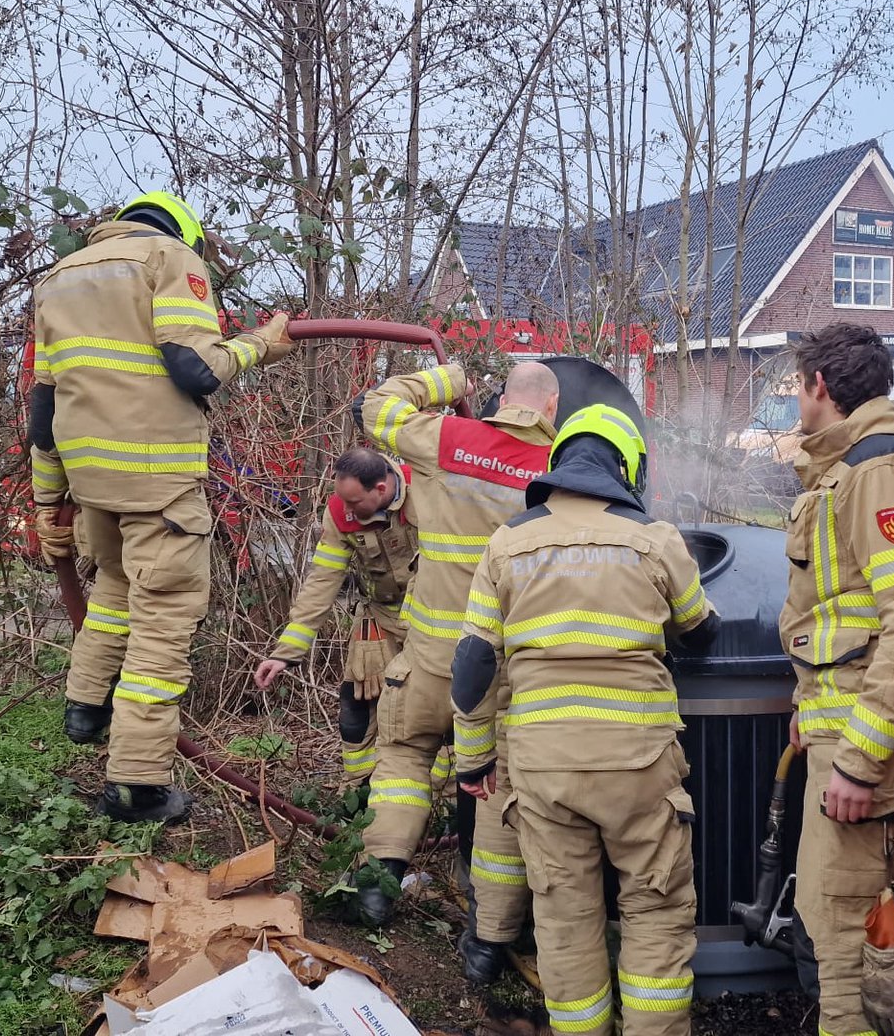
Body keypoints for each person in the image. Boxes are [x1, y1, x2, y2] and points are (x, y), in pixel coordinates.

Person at [451, 404, 719, 1035]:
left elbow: (472, 664)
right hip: (640, 766)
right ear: (628, 466)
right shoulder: (654, 539)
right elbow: (700, 630)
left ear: (558, 462)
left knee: (564, 919)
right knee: (654, 909)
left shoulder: (508, 543)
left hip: (543, 769)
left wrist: (474, 759)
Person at [28, 190, 293, 824]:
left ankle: (85, 707)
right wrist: (260, 343)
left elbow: (43, 414)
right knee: (163, 626)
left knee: (116, 590)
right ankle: (137, 786)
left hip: (92, 481)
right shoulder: (170, 259)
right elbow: (195, 370)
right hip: (158, 480)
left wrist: (47, 502)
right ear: (184, 232)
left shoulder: (58, 279)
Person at [353, 359, 560, 986]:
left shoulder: (449, 440)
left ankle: (376, 887)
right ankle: (486, 943)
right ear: (550, 409)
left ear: (502, 398)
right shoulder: (560, 466)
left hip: (428, 657)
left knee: (404, 762)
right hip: (500, 675)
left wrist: (449, 379)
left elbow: (377, 408)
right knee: (494, 795)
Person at [780, 321, 894, 1036]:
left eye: (796, 386)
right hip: (842, 727)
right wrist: (807, 707)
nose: (796, 400)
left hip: (863, 750)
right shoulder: (847, 470)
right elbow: (837, 611)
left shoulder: (877, 474)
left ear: (820, 386)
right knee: (835, 918)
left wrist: (858, 759)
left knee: (852, 938)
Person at [254, 447, 419, 785]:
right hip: (379, 620)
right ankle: (357, 790)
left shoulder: (428, 490)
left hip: (432, 621)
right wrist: (286, 652)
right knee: (355, 709)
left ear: (382, 490)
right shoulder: (339, 513)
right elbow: (322, 581)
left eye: (355, 503)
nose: (347, 511)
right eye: (343, 500)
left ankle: (434, 802)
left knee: (423, 712)